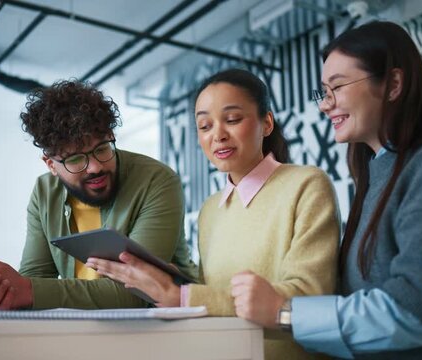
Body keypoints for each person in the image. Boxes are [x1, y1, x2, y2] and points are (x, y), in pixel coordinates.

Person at [228, 21, 422, 359]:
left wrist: (283, 313)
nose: (325, 104)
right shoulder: (377, 169)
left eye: (338, 86)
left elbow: (421, 309)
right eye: (323, 91)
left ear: (393, 84)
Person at [87, 68, 340, 359]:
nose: (218, 134)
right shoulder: (210, 209)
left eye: (232, 119)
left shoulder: (307, 185)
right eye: (205, 126)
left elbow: (308, 297)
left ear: (267, 122)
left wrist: (182, 297)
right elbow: (213, 298)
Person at [0, 80, 197, 310]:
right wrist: (2, 290)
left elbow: (139, 290)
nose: (94, 167)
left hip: (167, 332)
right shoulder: (44, 193)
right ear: (50, 164)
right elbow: (36, 277)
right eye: (75, 159)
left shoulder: (157, 181)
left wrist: (27, 290)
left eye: (102, 149)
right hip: (85, 331)